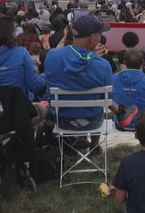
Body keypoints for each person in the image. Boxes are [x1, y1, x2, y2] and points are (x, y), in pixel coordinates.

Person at [44, 15, 114, 145]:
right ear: (93, 37)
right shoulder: (103, 65)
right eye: (100, 34)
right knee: (98, 107)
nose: (101, 37)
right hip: (92, 121)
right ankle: (94, 146)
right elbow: (109, 98)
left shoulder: (52, 56)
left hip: (62, 120)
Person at [0, 15, 45, 99]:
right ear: (10, 33)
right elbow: (35, 86)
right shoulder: (21, 54)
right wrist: (45, 75)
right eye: (15, 30)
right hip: (19, 108)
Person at [112, 49, 145, 130]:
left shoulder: (114, 78)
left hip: (120, 124)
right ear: (143, 62)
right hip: (144, 125)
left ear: (124, 62)